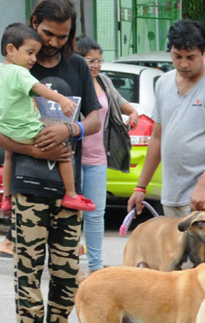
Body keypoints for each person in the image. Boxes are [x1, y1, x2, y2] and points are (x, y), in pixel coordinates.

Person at [4, 0, 102, 323]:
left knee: (64, 273)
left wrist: (71, 130)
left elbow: (94, 117)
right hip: (28, 186)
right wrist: (30, 148)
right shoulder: (12, 71)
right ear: (33, 25)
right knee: (28, 272)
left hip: (68, 191)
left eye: (63, 37)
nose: (54, 44)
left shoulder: (76, 64)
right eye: (47, 36)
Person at [128, 19, 205, 218]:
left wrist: (204, 186)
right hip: (172, 195)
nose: (183, 64)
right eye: (177, 56)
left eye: (190, 57)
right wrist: (141, 187)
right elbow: (158, 138)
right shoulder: (163, 83)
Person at [1, 23, 93, 214]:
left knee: (9, 157)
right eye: (30, 53)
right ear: (11, 50)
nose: (33, 59)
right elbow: (38, 88)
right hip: (27, 129)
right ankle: (71, 194)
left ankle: (6, 198)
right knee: (63, 151)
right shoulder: (19, 72)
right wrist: (61, 99)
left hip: (8, 131)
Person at [77, 35, 138, 273]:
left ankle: (94, 266)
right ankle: (70, 265)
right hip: (72, 159)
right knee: (71, 215)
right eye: (90, 61)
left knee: (95, 214)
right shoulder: (73, 83)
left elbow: (122, 103)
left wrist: (132, 113)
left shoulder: (103, 82)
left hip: (98, 159)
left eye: (99, 60)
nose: (96, 65)